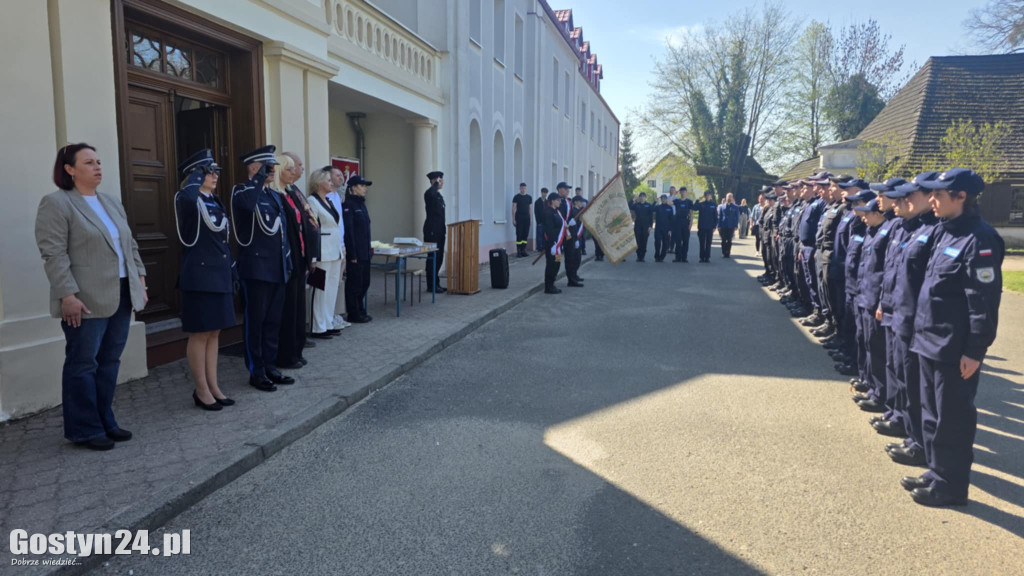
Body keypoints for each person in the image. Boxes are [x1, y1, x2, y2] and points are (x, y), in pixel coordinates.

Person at [35, 143, 148, 450]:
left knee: (109, 360)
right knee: (83, 364)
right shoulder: (57, 204)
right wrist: (67, 295)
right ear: (69, 169)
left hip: (122, 294)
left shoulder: (111, 202)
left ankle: (105, 420)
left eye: (98, 161)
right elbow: (53, 254)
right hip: (84, 299)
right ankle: (84, 429)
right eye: (88, 162)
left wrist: (140, 277)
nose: (98, 167)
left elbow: (129, 244)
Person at [903, 169, 1003, 507]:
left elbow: (983, 301)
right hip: (928, 340)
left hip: (954, 347)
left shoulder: (980, 239)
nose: (931, 199)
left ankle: (952, 486)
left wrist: (975, 350)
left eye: (939, 195)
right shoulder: (945, 233)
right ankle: (936, 471)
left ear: (961, 197)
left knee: (953, 420)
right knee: (931, 414)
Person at [174, 149, 235, 411]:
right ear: (194, 175)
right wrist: (194, 180)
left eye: (214, 171)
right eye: (207, 171)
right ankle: (201, 389)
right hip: (199, 276)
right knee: (200, 333)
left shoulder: (214, 201)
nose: (214, 176)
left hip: (219, 274)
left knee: (214, 332)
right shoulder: (187, 198)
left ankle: (213, 385)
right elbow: (186, 199)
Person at [231, 145, 292, 392]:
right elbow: (246, 207)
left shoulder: (274, 195)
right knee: (255, 324)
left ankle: (270, 365)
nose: (272, 171)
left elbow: (283, 233)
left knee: (272, 322)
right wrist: (257, 179)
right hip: (256, 269)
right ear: (254, 167)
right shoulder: (242, 191)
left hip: (276, 268)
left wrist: (287, 263)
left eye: (272, 166)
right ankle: (256, 371)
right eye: (267, 167)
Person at [275, 153, 319, 370]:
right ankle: (286, 354)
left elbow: (307, 224)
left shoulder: (293, 192)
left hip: (301, 257)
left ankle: (297, 349)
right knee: (288, 310)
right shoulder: (277, 194)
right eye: (290, 168)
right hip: (288, 259)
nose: (295, 172)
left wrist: (311, 256)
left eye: (297, 167)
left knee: (298, 308)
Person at [307, 168, 345, 340]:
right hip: (321, 252)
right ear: (318, 182)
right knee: (319, 290)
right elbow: (312, 229)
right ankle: (317, 326)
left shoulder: (328, 201)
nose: (331, 183)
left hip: (334, 251)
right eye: (328, 181)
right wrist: (313, 256)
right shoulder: (312, 201)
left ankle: (328, 322)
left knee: (331, 289)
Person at [343, 175, 374, 322]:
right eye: (362, 186)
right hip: (356, 253)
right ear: (354, 187)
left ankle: (360, 310)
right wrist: (352, 253)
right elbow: (349, 231)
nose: (365, 188)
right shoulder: (349, 205)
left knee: (364, 283)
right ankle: (353, 313)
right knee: (354, 284)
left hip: (365, 251)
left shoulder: (362, 204)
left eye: (365, 186)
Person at [324, 166, 350, 332]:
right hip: (327, 248)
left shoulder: (337, 196)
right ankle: (324, 319)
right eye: (337, 175)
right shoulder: (322, 198)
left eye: (342, 175)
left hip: (340, 245)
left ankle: (333, 315)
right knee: (324, 286)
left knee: (337, 283)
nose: (341, 178)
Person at [423, 171, 447, 292]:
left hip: (440, 231)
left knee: (439, 258)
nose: (441, 183)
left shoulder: (439, 196)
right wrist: (435, 185)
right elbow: (430, 193)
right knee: (433, 257)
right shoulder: (429, 194)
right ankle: (431, 285)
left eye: (441, 180)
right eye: (439, 180)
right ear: (433, 181)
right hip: (431, 231)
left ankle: (436, 283)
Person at [556, 182, 582, 286]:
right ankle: (550, 282)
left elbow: (572, 214)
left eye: (568, 189)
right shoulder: (555, 201)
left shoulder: (568, 201)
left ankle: (572, 279)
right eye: (565, 189)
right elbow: (557, 216)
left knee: (571, 257)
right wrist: (566, 223)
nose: (568, 191)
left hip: (569, 234)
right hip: (559, 234)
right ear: (559, 190)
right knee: (555, 260)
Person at [544, 192, 565, 294]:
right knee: (551, 265)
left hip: (557, 244)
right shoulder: (548, 212)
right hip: (552, 244)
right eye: (558, 200)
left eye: (560, 200)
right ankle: (548, 286)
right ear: (552, 201)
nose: (560, 202)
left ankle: (552, 283)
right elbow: (549, 230)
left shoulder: (557, 212)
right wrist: (553, 244)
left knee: (556, 264)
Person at [694, 191, 718, 262]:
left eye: (709, 195)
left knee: (708, 242)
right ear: (704, 196)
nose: (707, 196)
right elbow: (694, 207)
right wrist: (698, 200)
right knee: (702, 243)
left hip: (710, 227)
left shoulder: (713, 205)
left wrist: (714, 226)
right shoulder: (701, 204)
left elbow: (715, 216)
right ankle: (702, 257)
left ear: (710, 196)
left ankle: (707, 257)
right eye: (706, 195)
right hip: (702, 227)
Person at [671, 187, 694, 262]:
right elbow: (668, 202)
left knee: (685, 240)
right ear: (680, 192)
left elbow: (691, 213)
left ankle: (684, 257)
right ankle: (678, 257)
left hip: (685, 222)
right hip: (677, 222)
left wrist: (691, 223)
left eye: (684, 191)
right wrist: (674, 194)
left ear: (686, 192)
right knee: (678, 240)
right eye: (681, 191)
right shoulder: (677, 201)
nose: (683, 193)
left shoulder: (689, 202)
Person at [629, 192, 653, 262]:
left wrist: (650, 226)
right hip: (638, 225)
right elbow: (630, 206)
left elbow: (650, 217)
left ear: (645, 198)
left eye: (643, 196)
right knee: (638, 241)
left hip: (646, 226)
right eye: (641, 196)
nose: (642, 198)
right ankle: (638, 255)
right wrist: (633, 199)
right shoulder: (637, 205)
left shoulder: (648, 205)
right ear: (639, 198)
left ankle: (642, 256)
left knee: (644, 241)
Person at [717, 193, 740, 258]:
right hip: (723, 225)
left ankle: (728, 252)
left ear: (732, 198)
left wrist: (736, 225)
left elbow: (737, 217)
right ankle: (724, 252)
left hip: (731, 225)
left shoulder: (735, 207)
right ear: (726, 197)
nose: (729, 198)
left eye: (730, 197)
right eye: (728, 197)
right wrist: (718, 225)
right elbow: (719, 216)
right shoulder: (722, 207)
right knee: (723, 240)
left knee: (729, 240)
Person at [512, 183, 532, 257]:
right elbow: (514, 208)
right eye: (522, 188)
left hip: (526, 218)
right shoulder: (516, 197)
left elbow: (530, 208)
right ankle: (519, 251)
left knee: (525, 234)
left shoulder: (529, 197)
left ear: (526, 188)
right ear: (520, 188)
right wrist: (513, 219)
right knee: (519, 234)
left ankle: (524, 250)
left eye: (524, 188)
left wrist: (530, 219)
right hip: (519, 217)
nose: (523, 189)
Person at [575, 187, 589, 256]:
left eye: (579, 192)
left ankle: (583, 249)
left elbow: (588, 209)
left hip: (583, 221)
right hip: (576, 221)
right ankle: (578, 249)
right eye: (577, 192)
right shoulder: (574, 200)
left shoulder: (585, 201)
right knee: (577, 235)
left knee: (583, 236)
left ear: (581, 192)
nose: (578, 193)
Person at [534, 188, 548, 252]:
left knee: (544, 235)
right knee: (539, 235)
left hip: (546, 221)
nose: (544, 194)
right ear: (541, 193)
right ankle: (539, 247)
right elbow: (536, 212)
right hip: (540, 221)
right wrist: (538, 221)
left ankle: (544, 247)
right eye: (543, 192)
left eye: (545, 193)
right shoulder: (537, 202)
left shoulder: (547, 202)